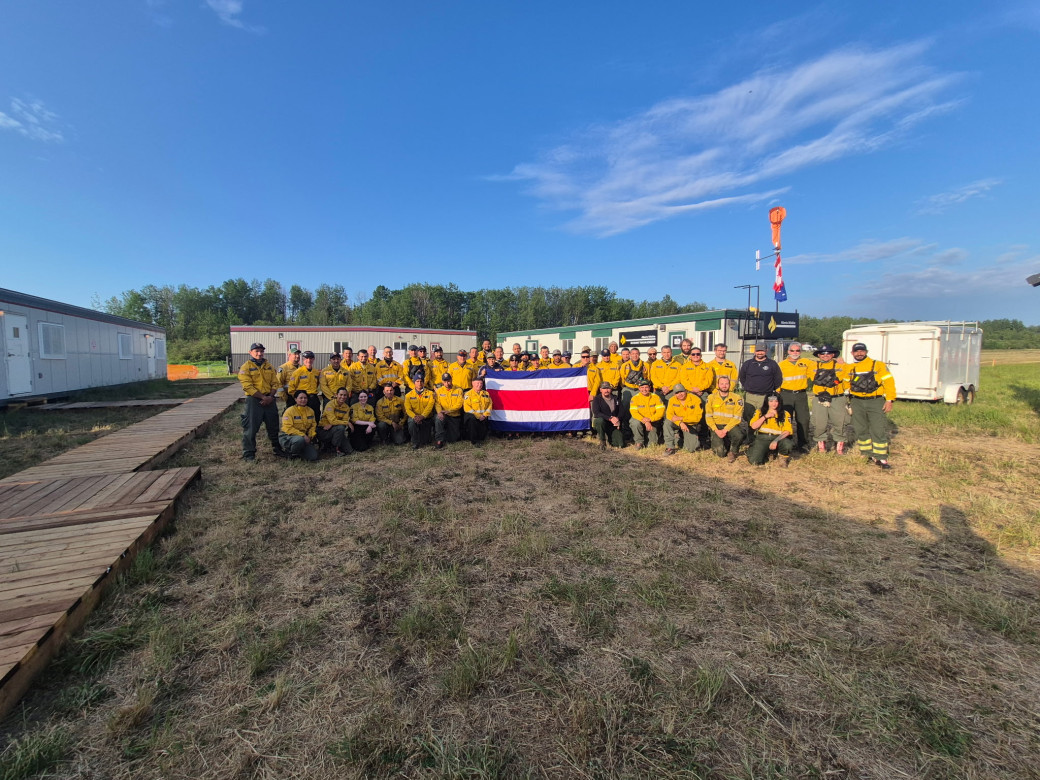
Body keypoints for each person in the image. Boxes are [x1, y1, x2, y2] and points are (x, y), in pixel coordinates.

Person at [846, 341, 896, 469]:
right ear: (852, 353)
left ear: (866, 352)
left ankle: (881, 457)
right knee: (860, 428)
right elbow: (845, 385)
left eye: (862, 351)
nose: (859, 353)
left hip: (875, 401)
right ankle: (866, 453)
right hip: (856, 401)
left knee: (877, 428)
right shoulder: (849, 368)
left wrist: (890, 400)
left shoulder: (878, 365)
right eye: (856, 351)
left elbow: (889, 382)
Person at [238, 342, 287, 461]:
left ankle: (277, 449)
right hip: (254, 400)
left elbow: (275, 383)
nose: (259, 353)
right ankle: (249, 454)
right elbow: (247, 386)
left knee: (273, 426)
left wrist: (270, 397)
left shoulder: (269, 366)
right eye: (256, 351)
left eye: (261, 351)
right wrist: (263, 397)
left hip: (269, 399)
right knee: (251, 427)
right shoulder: (246, 367)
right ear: (250, 352)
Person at [810, 345, 850, 454]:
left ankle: (840, 448)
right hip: (819, 398)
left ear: (833, 355)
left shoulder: (842, 365)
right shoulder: (812, 365)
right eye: (822, 354)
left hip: (837, 398)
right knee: (819, 423)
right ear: (818, 355)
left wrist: (843, 363)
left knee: (840, 422)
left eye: (828, 353)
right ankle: (821, 446)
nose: (825, 355)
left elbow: (845, 376)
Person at [778, 343, 813, 452]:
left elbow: (822, 366)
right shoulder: (781, 365)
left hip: (801, 395)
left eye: (797, 351)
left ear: (800, 352)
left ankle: (803, 444)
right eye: (792, 351)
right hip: (785, 394)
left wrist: (838, 361)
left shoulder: (807, 363)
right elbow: (777, 381)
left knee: (803, 420)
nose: (795, 353)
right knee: (785, 419)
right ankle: (786, 442)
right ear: (788, 352)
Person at [738, 341, 783, 423]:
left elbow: (778, 379)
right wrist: (748, 387)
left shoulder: (772, 364)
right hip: (750, 396)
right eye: (758, 351)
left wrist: (771, 390)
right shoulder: (747, 364)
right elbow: (742, 377)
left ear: (766, 351)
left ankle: (761, 435)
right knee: (749, 418)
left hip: (765, 396)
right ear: (755, 351)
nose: (760, 353)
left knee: (764, 418)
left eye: (762, 350)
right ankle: (750, 435)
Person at [703, 375, 746, 461]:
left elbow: (737, 417)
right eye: (722, 383)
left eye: (726, 383)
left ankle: (733, 452)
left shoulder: (737, 398)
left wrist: (725, 430)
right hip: (717, 426)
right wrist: (716, 430)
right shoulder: (711, 397)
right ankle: (724, 442)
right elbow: (708, 416)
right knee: (720, 453)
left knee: (739, 435)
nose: (724, 385)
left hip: (730, 425)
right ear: (718, 385)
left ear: (729, 385)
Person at [747, 393, 793, 467]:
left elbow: (787, 431)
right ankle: (765, 453)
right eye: (771, 401)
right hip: (763, 438)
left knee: (788, 444)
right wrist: (765, 417)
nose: (773, 404)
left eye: (776, 401)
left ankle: (782, 457)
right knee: (754, 461)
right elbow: (753, 426)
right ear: (767, 402)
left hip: (778, 438)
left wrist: (776, 441)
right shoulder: (759, 412)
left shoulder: (785, 414)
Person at [663, 384, 702, 455]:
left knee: (691, 449)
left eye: (681, 392)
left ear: (686, 391)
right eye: (677, 393)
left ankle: (680, 438)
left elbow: (697, 418)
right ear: (674, 394)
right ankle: (670, 447)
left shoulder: (695, 399)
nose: (680, 394)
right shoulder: (672, 400)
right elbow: (669, 415)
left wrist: (682, 419)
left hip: (691, 424)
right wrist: (680, 423)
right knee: (667, 422)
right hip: (678, 423)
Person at [280, 390, 319, 461]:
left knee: (313, 457)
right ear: (295, 399)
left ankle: (300, 452)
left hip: (304, 437)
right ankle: (291, 453)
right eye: (301, 398)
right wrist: (303, 436)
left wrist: (310, 435)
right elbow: (288, 428)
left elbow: (313, 425)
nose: (303, 400)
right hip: (289, 436)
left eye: (305, 398)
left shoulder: (310, 411)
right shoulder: (289, 411)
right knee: (299, 440)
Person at [628, 379, 664, 449]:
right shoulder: (634, 398)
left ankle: (648, 438)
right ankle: (639, 442)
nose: (644, 389)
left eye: (646, 387)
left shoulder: (656, 397)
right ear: (639, 388)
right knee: (635, 423)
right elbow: (634, 413)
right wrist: (645, 420)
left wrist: (650, 419)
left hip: (652, 420)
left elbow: (661, 412)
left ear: (650, 388)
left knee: (652, 445)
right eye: (642, 387)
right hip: (640, 419)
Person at [317, 387, 354, 456]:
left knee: (349, 450)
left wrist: (332, 424)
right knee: (340, 427)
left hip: (335, 429)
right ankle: (335, 449)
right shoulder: (330, 404)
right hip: (324, 430)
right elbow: (334, 421)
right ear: (336, 395)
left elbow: (341, 421)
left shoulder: (346, 407)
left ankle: (331, 445)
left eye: (345, 395)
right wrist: (348, 423)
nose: (343, 397)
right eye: (341, 395)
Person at [288, 351, 322, 423]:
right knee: (303, 419)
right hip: (302, 400)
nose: (308, 360)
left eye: (311, 358)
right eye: (306, 358)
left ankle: (315, 433)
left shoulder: (316, 372)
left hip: (314, 398)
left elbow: (317, 384)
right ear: (303, 359)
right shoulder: (297, 372)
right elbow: (291, 388)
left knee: (316, 418)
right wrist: (298, 399)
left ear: (313, 359)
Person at [434, 373, 465, 448]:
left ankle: (448, 434)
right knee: (438, 419)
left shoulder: (458, 390)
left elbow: (459, 403)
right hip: (443, 414)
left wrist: (449, 410)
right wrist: (439, 412)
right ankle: (439, 440)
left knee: (453, 439)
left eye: (448, 381)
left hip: (454, 416)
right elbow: (437, 403)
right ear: (442, 382)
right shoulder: (439, 391)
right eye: (445, 382)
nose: (447, 383)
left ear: (451, 380)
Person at [404, 375, 436, 448]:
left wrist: (422, 416)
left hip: (426, 418)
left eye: (421, 381)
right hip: (414, 418)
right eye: (417, 381)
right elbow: (408, 409)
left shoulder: (430, 393)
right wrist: (415, 417)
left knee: (426, 441)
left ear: (424, 382)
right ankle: (415, 442)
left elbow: (429, 407)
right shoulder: (408, 395)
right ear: (414, 383)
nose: (419, 383)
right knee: (411, 422)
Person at [591, 381, 624, 449]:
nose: (606, 390)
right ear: (600, 390)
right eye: (604, 388)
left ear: (611, 389)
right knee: (599, 420)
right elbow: (596, 412)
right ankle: (602, 440)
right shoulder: (597, 399)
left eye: (608, 388)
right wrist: (610, 418)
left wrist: (618, 419)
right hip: (603, 421)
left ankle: (610, 439)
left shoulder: (616, 398)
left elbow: (622, 411)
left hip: (613, 424)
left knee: (619, 444)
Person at [463, 376, 493, 445]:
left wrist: (485, 415)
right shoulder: (468, 394)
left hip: (483, 417)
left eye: (481, 383)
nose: (479, 385)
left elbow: (490, 405)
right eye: (477, 383)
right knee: (471, 419)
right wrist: (478, 415)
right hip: (472, 416)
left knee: (482, 437)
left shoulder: (486, 394)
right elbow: (467, 408)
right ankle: (474, 441)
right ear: (472, 383)